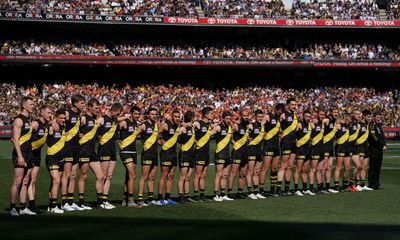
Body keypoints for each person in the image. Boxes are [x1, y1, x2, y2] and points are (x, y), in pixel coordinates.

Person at [78, 98, 107, 209]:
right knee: (84, 176)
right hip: (83, 150)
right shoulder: (84, 118)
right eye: (95, 108)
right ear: (89, 107)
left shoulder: (96, 120)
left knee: (100, 176)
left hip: (92, 152)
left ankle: (100, 202)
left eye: (98, 109)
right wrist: (78, 134)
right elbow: (73, 129)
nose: (97, 110)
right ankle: (81, 202)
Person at [9, 96, 35, 216]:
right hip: (21, 153)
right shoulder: (18, 120)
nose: (33, 106)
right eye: (31, 104)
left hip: (29, 153)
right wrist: (19, 156)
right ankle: (13, 208)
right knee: (17, 181)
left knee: (26, 181)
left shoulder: (28, 120)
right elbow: (15, 140)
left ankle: (23, 207)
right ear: (24, 106)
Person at [61, 94, 85, 212]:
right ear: (75, 103)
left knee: (73, 175)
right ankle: (64, 202)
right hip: (67, 147)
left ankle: (70, 201)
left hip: (76, 147)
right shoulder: (67, 113)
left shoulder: (79, 115)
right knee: (67, 175)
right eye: (81, 103)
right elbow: (56, 120)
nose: (83, 105)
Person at [97, 103, 123, 209]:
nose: (118, 115)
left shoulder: (115, 120)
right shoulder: (102, 119)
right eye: (117, 113)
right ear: (113, 111)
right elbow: (93, 128)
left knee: (109, 176)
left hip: (112, 149)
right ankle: (100, 201)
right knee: (103, 176)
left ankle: (105, 199)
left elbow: (123, 118)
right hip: (104, 149)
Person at [27, 105, 51, 213]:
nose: (50, 115)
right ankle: (29, 205)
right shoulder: (36, 124)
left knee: (33, 179)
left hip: (37, 155)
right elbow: (24, 135)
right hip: (29, 154)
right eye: (48, 113)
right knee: (27, 180)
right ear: (42, 113)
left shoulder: (47, 125)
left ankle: (32, 204)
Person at [158, 109, 182, 205]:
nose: (177, 118)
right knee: (164, 175)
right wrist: (160, 141)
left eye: (178, 117)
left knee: (171, 176)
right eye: (175, 116)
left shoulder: (177, 126)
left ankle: (168, 198)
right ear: (171, 116)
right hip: (166, 153)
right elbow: (155, 133)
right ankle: (160, 199)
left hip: (173, 153)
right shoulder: (166, 125)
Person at [137, 107, 159, 206]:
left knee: (152, 177)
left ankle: (150, 199)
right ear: (148, 115)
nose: (154, 116)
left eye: (155, 114)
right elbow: (133, 135)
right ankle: (140, 199)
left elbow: (156, 139)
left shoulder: (156, 125)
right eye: (152, 114)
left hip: (155, 154)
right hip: (147, 154)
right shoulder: (143, 125)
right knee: (144, 177)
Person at [46, 109, 67, 214]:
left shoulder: (64, 127)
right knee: (56, 181)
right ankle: (54, 206)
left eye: (64, 118)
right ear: (56, 118)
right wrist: (53, 122)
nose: (63, 120)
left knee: (55, 183)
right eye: (61, 118)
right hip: (52, 158)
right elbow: (49, 122)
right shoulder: (52, 127)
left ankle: (51, 205)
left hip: (61, 158)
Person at [119, 106, 141, 207]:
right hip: (125, 151)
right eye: (135, 113)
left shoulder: (136, 124)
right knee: (132, 175)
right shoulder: (125, 122)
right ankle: (131, 200)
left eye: (138, 114)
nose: (137, 116)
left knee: (129, 176)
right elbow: (114, 127)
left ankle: (125, 198)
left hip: (133, 152)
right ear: (131, 113)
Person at [261, 104, 284, 197]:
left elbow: (280, 129)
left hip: (276, 146)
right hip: (268, 145)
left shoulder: (279, 118)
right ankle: (261, 190)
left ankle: (272, 190)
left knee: (274, 168)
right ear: (275, 109)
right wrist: (263, 134)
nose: (280, 113)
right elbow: (260, 125)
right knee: (265, 168)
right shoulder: (267, 116)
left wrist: (280, 134)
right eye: (279, 111)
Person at [193, 107, 215, 202]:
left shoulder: (209, 125)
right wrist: (195, 142)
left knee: (203, 174)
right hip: (199, 152)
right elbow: (190, 132)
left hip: (206, 152)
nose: (212, 115)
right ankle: (195, 195)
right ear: (206, 114)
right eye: (211, 113)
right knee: (197, 174)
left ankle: (202, 194)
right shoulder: (198, 123)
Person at [277, 98, 298, 196]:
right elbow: (277, 126)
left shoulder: (295, 116)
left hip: (294, 143)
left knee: (290, 166)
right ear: (288, 105)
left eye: (295, 105)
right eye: (292, 104)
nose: (294, 106)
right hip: (286, 142)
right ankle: (278, 189)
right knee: (283, 166)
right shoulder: (283, 114)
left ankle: (287, 189)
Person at [228, 109, 250, 199]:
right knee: (233, 174)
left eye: (247, 115)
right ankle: (229, 192)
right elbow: (229, 135)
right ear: (241, 116)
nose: (246, 117)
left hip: (245, 152)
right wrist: (233, 143)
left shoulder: (247, 126)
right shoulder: (236, 126)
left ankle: (239, 192)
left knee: (243, 174)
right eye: (244, 115)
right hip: (237, 152)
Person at [213, 111, 234, 202]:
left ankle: (222, 194)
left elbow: (231, 140)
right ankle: (215, 194)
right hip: (219, 154)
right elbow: (207, 134)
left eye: (230, 119)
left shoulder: (229, 128)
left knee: (225, 175)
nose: (228, 120)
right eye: (227, 119)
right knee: (219, 174)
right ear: (223, 119)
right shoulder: (218, 127)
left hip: (227, 154)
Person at [177, 110, 196, 203]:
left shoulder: (192, 127)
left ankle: (186, 195)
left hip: (191, 154)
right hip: (184, 153)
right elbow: (176, 133)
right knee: (182, 176)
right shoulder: (184, 128)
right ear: (192, 118)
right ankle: (181, 196)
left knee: (188, 177)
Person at [352, 109, 373, 191]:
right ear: (364, 116)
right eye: (368, 116)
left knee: (364, 167)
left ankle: (362, 184)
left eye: (370, 116)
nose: (369, 118)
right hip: (359, 147)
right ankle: (356, 185)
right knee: (358, 167)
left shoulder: (368, 125)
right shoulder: (359, 125)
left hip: (366, 148)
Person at [246, 109, 266, 199]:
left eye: (262, 117)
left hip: (259, 150)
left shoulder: (263, 126)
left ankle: (256, 191)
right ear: (255, 117)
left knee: (256, 172)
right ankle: (250, 192)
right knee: (250, 171)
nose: (260, 118)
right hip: (251, 150)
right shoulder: (251, 126)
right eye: (259, 117)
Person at [293, 110, 312, 196]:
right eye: (306, 116)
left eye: (309, 116)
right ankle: (296, 189)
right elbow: (294, 134)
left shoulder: (310, 125)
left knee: (305, 170)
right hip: (300, 149)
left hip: (308, 149)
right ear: (303, 116)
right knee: (298, 169)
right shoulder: (300, 124)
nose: (308, 118)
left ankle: (305, 189)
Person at [368, 111, 387, 190]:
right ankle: (372, 183)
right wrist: (382, 144)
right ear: (374, 117)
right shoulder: (372, 125)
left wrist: (385, 144)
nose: (379, 118)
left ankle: (377, 183)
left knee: (378, 166)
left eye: (380, 117)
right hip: (374, 149)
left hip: (379, 149)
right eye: (377, 117)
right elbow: (374, 137)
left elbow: (382, 136)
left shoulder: (379, 126)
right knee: (373, 166)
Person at [322, 107, 340, 193]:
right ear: (330, 113)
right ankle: (321, 187)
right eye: (334, 112)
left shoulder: (335, 122)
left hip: (330, 147)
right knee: (323, 167)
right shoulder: (327, 120)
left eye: (337, 112)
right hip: (324, 146)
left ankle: (327, 187)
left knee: (329, 167)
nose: (336, 113)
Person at [333, 113, 351, 191]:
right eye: (349, 121)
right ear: (345, 118)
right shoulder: (339, 125)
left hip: (347, 148)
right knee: (338, 167)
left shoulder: (347, 126)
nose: (350, 123)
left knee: (347, 167)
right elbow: (333, 134)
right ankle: (336, 185)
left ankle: (345, 185)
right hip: (340, 148)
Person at [347, 109, 361, 191]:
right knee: (347, 168)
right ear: (353, 114)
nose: (359, 115)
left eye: (359, 114)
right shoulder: (350, 123)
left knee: (359, 166)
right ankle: (345, 185)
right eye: (357, 114)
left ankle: (351, 183)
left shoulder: (357, 124)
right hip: (348, 147)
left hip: (355, 147)